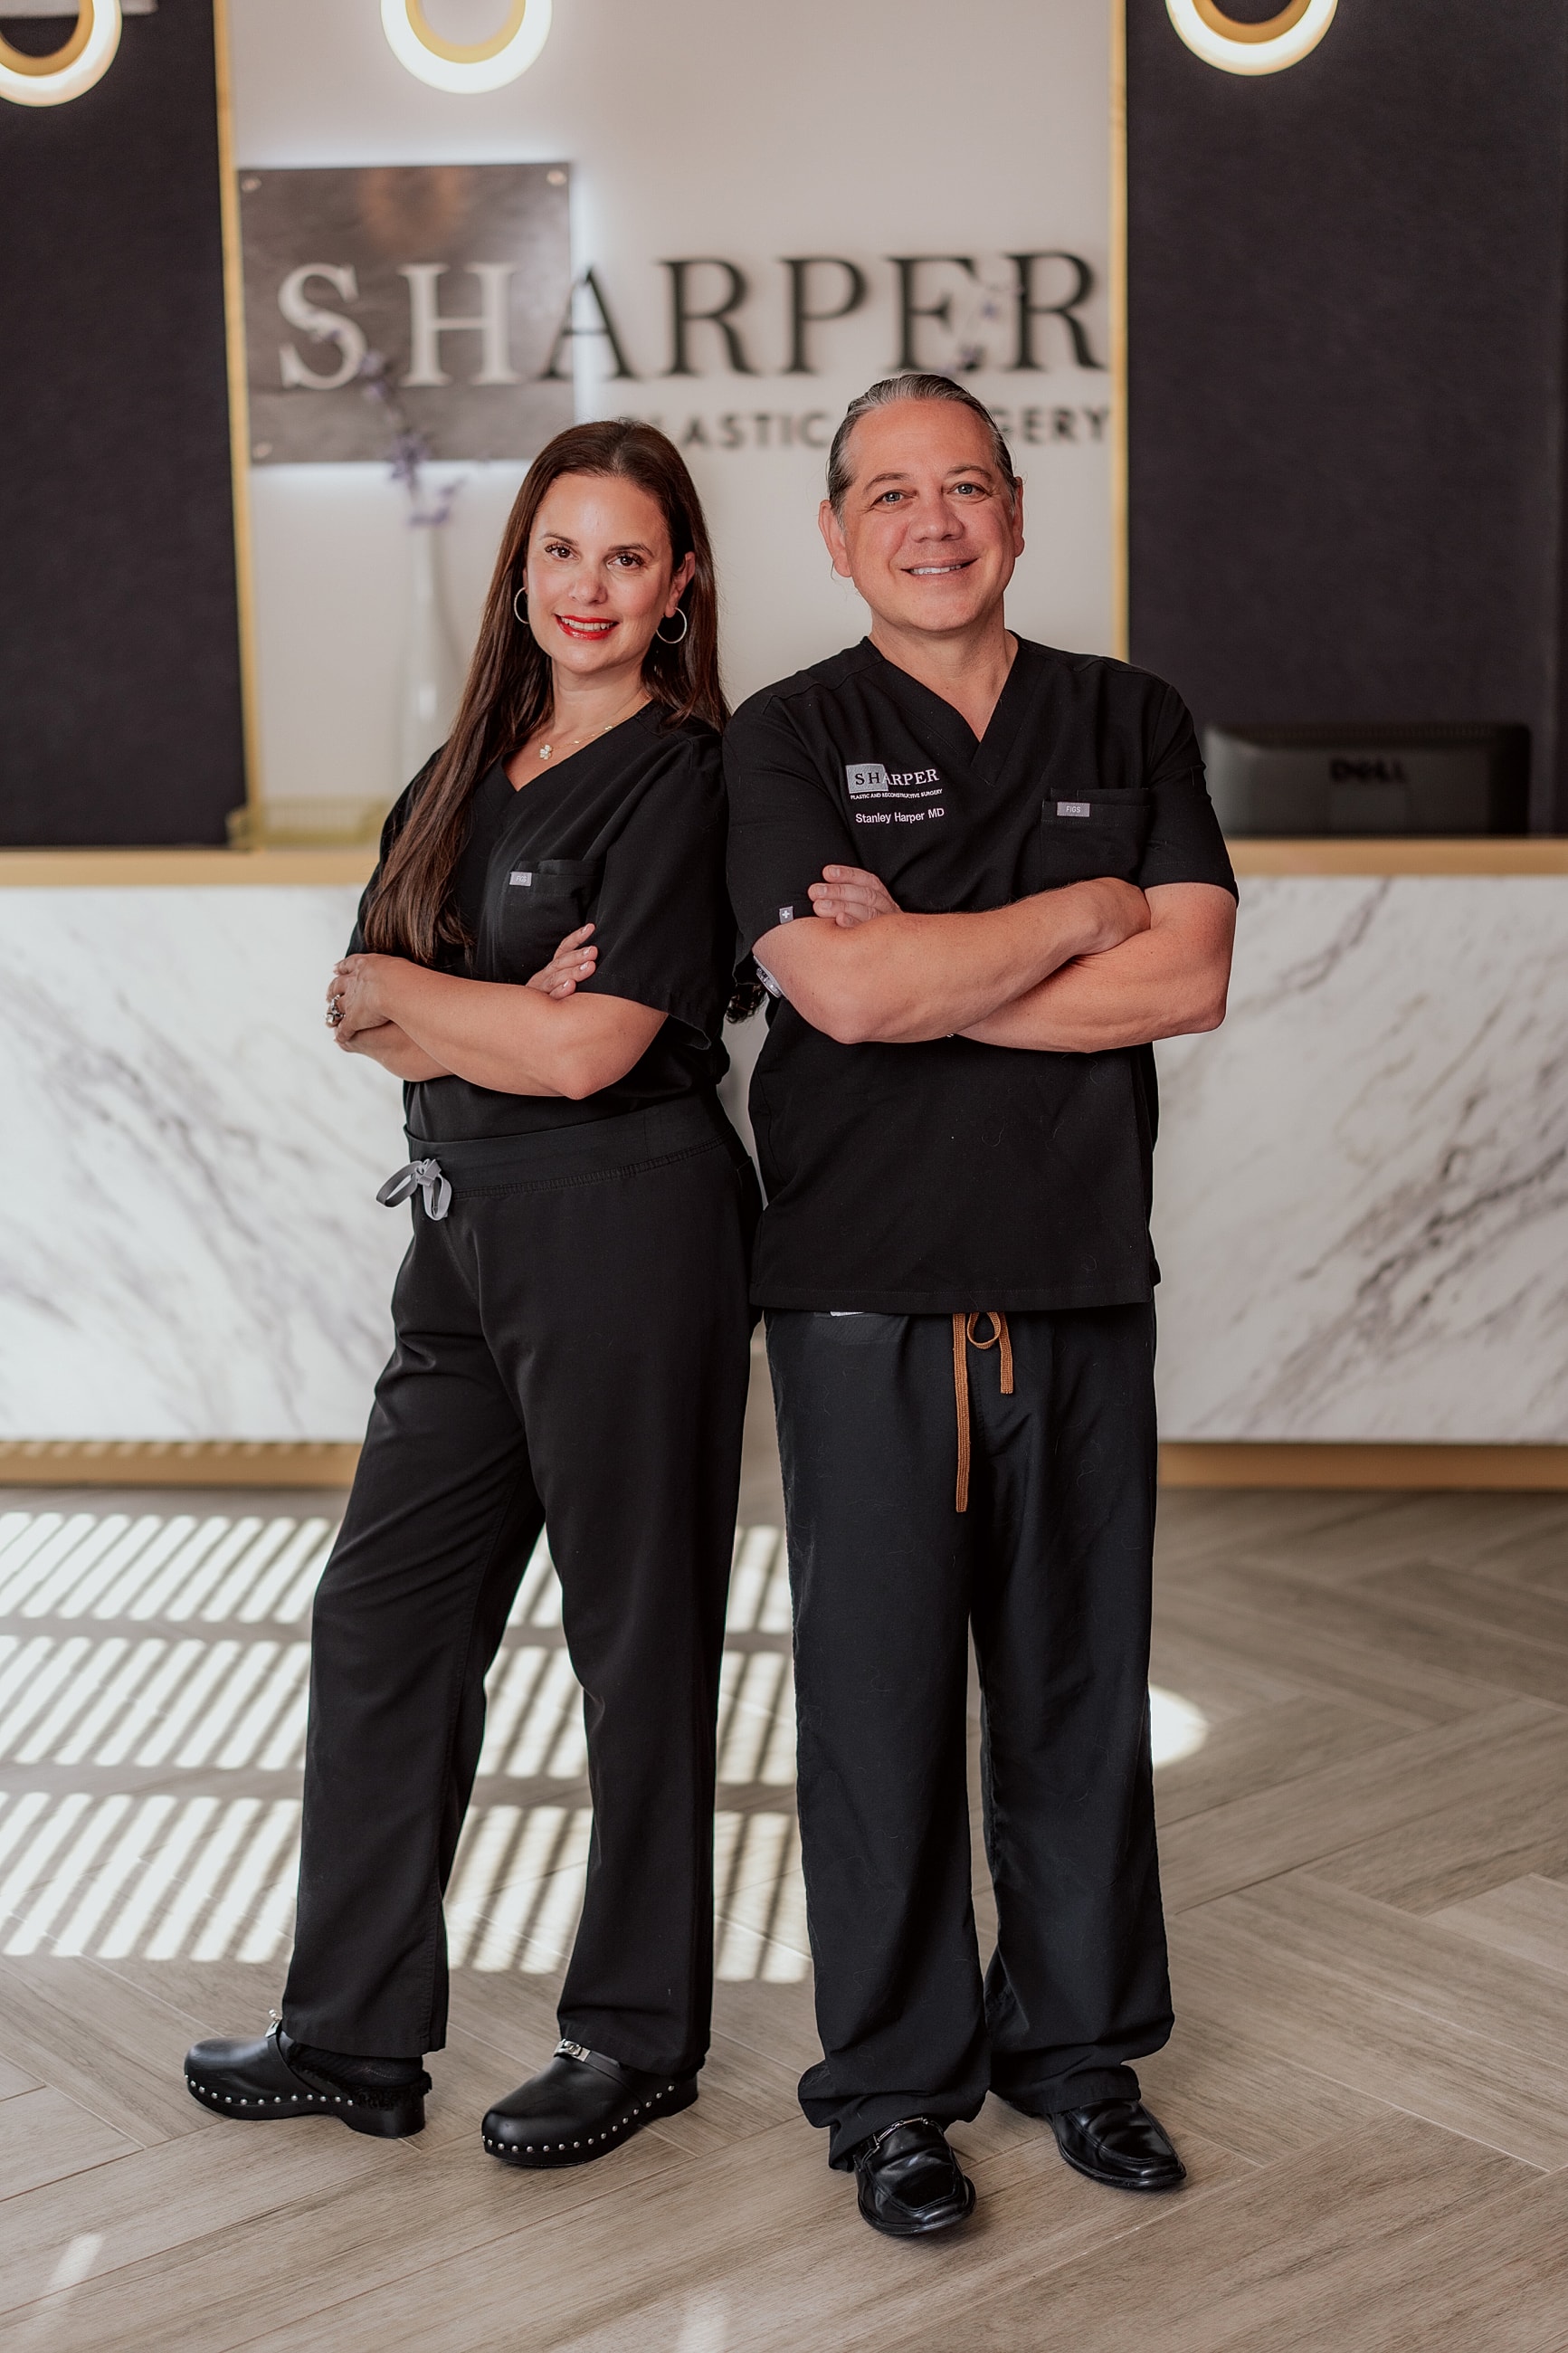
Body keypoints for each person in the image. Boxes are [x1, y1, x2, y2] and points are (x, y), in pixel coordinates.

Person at [184, 420, 757, 2165]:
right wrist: (469, 1007)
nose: (589, 589)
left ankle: (635, 2032)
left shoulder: (694, 776)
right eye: (561, 553)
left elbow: (597, 1054)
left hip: (629, 1235)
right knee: (380, 1616)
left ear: (680, 589)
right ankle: (354, 2031)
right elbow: (351, 1009)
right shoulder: (458, 770)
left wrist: (457, 1006)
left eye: (628, 559)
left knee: (629, 1638)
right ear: (521, 571)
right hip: (456, 1235)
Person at [723, 374, 1237, 2238]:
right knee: (874, 1709)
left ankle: (1081, 2052)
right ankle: (891, 2094)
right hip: (861, 1301)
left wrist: (932, 957)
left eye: (965, 489)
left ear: (1016, 513)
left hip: (1082, 1285)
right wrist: (1080, 907)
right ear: (840, 532)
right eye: (891, 494)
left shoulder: (1131, 714)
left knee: (1080, 1696)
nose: (932, 522)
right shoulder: (780, 738)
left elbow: (1187, 982)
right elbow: (836, 1001)